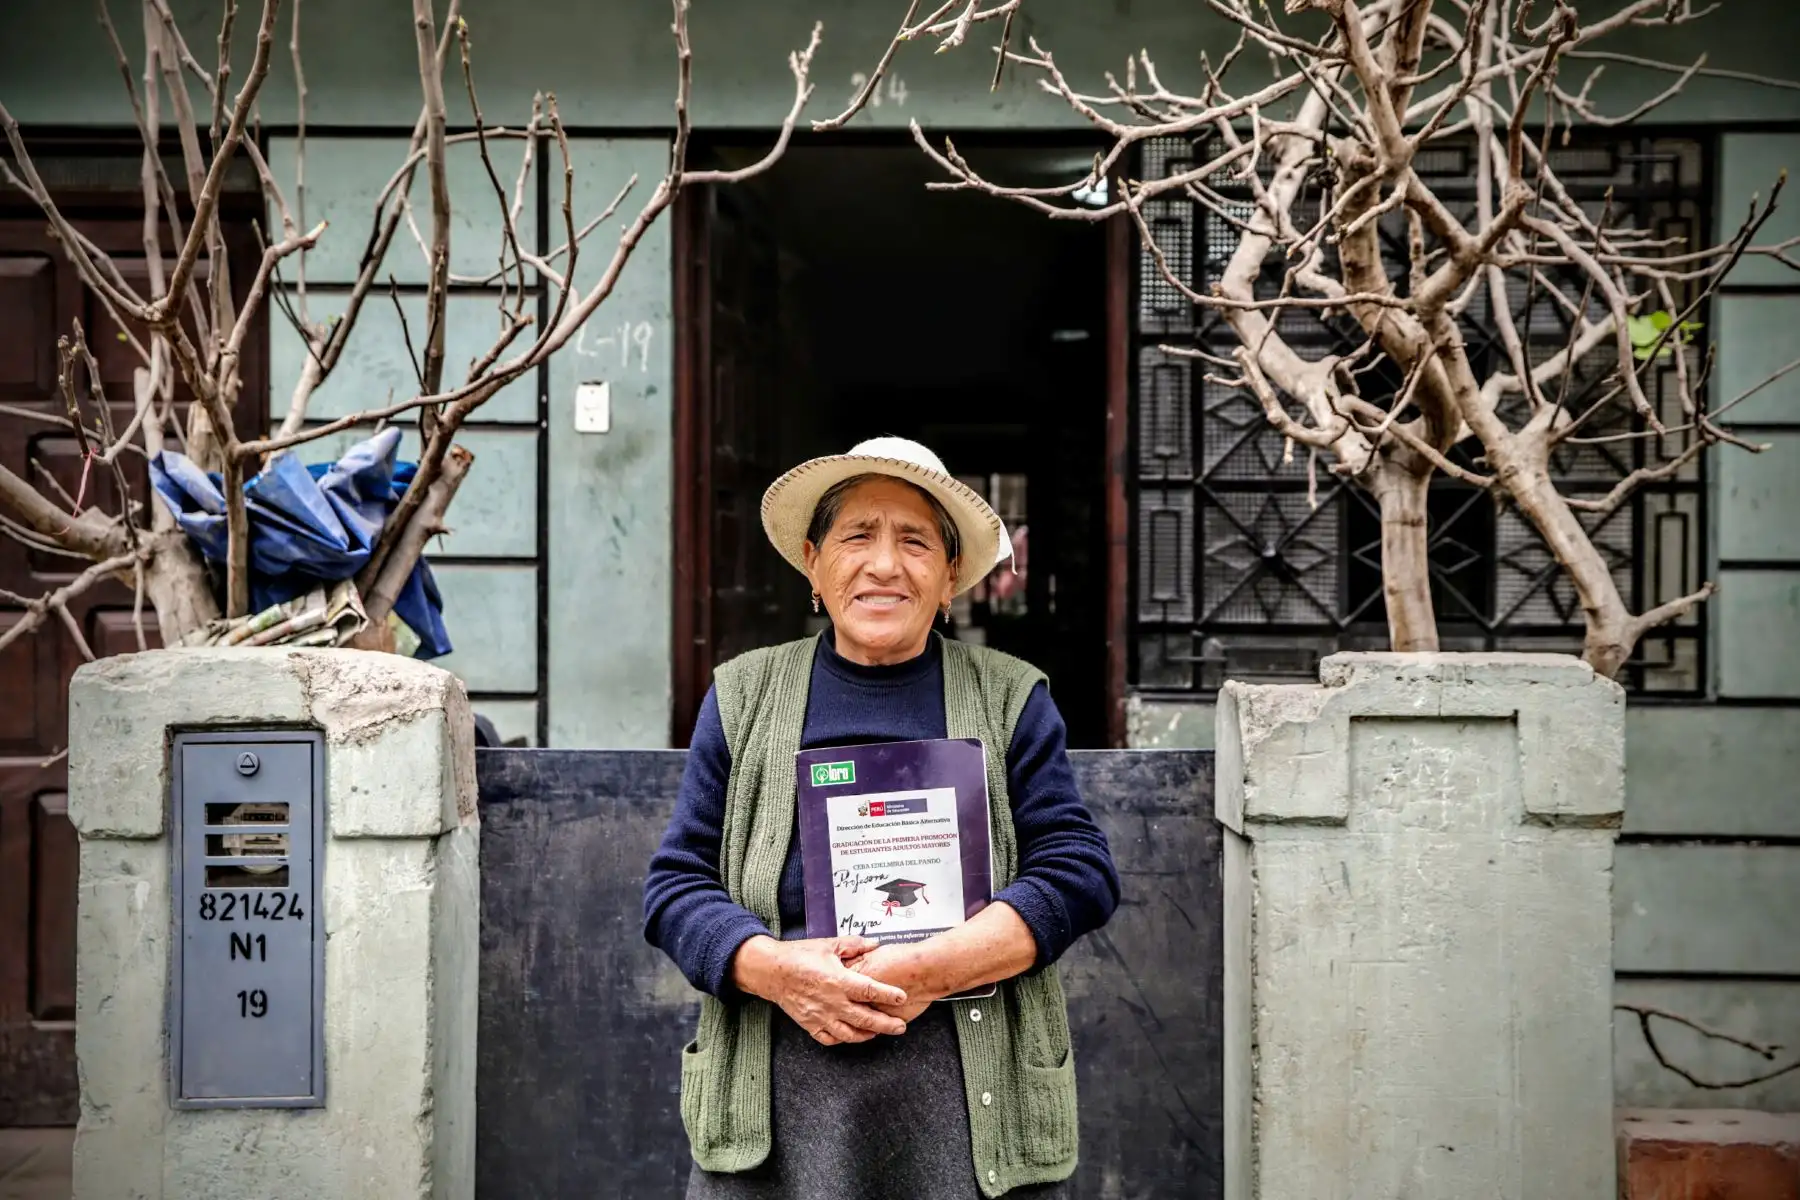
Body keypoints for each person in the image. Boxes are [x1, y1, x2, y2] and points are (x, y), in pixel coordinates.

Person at [644, 437, 1121, 1198]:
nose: (884, 565)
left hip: (969, 1099)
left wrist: (928, 971)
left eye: (915, 541)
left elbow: (1078, 873)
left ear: (951, 573)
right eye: (857, 536)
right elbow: (676, 887)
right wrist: (779, 972)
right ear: (812, 560)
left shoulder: (1010, 697)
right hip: (781, 1098)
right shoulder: (743, 696)